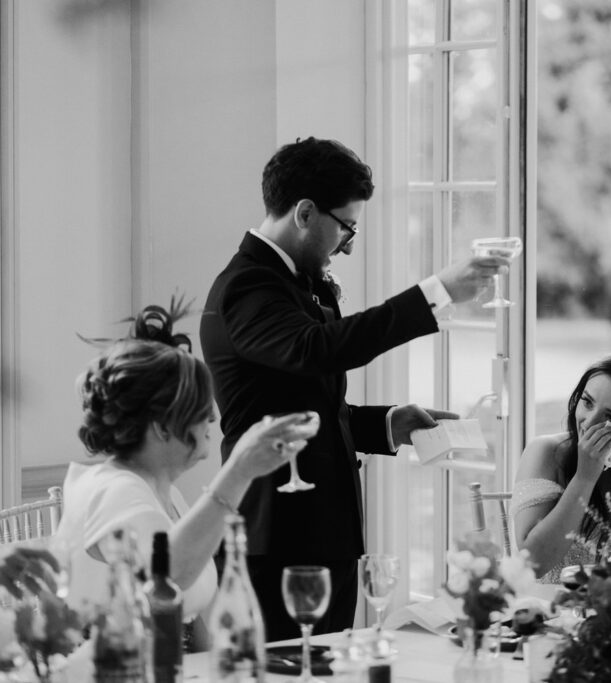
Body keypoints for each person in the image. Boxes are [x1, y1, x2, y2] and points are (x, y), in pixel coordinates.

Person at [200, 137, 508, 639]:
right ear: (304, 212)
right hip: (276, 536)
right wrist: (438, 293)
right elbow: (317, 349)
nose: (348, 243)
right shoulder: (247, 286)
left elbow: (305, 402)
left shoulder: (294, 281)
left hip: (324, 534)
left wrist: (385, 424)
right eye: (346, 226)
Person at [55, 306, 312, 633]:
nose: (213, 419)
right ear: (163, 427)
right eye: (201, 409)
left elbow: (190, 613)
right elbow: (167, 581)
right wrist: (240, 470)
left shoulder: (165, 492)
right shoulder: (113, 490)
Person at [511, 349, 611, 579]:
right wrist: (584, 478)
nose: (589, 422)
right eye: (587, 402)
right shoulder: (546, 452)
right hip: (552, 609)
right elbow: (533, 564)